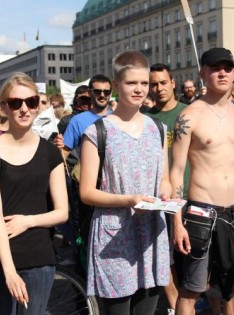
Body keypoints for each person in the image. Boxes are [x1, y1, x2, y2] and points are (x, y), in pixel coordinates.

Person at [171, 48, 234, 315]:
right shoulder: (190, 116)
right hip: (201, 214)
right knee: (192, 289)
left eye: (227, 68)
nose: (222, 73)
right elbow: (176, 172)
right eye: (214, 68)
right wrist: (177, 222)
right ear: (203, 73)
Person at [79, 50, 170, 315]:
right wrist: (128, 200)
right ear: (117, 86)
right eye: (132, 83)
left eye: (144, 83)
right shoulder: (97, 131)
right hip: (115, 237)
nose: (140, 89)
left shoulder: (158, 128)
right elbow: (86, 192)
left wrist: (166, 192)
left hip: (152, 234)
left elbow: (163, 177)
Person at [0, 72, 67, 315]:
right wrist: (10, 271)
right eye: (16, 103)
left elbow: (62, 212)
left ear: (38, 105)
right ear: (4, 107)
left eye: (31, 102)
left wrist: (28, 221)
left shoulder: (50, 152)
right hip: (1, 260)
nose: (24, 109)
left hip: (39, 257)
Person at [147, 62, 189, 315]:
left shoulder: (190, 113)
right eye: (154, 84)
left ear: (173, 83)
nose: (159, 88)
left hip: (191, 196)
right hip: (159, 197)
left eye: (163, 82)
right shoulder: (146, 120)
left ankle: (190, 301)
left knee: (193, 258)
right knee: (166, 257)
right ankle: (175, 307)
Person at [62, 75, 112, 160]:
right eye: (97, 91)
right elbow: (65, 152)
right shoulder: (77, 120)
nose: (102, 95)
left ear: (110, 93)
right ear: (89, 92)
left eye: (106, 92)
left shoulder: (119, 118)